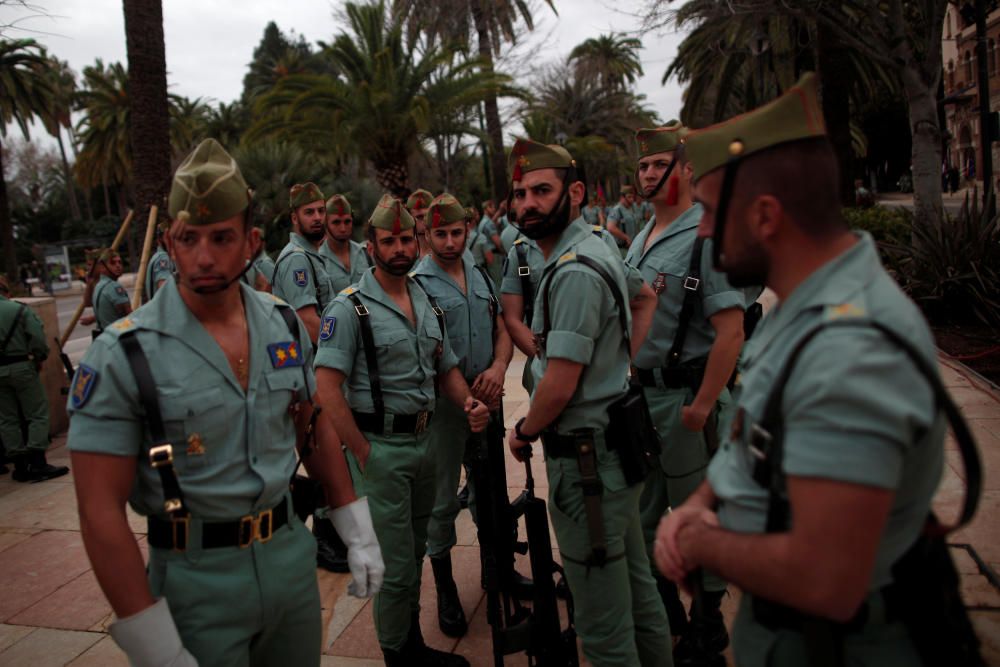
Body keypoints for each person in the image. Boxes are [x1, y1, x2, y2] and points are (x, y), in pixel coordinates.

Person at [655, 73, 947, 666]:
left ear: (765, 216)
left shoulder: (850, 347)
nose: (702, 228)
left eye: (709, 210)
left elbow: (826, 578)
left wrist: (703, 542)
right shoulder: (808, 303)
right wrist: (701, 500)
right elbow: (756, 442)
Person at [67, 138, 383, 667]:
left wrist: (355, 524)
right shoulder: (123, 354)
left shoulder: (281, 322)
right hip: (194, 577)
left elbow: (313, 425)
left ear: (251, 242)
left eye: (221, 237)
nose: (204, 255)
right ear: (170, 240)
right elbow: (99, 510)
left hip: (288, 557)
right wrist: (151, 639)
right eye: (189, 238)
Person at [502, 138, 669, 666]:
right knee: (639, 595)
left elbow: (559, 384)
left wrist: (524, 429)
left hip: (587, 466)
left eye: (541, 190)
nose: (527, 203)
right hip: (613, 453)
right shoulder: (597, 244)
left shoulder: (573, 269)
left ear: (574, 192)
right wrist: (621, 362)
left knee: (601, 628)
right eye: (521, 193)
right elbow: (645, 297)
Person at [314, 194, 489, 666]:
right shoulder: (348, 309)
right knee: (393, 569)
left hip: (426, 444)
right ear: (370, 247)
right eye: (388, 241)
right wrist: (362, 452)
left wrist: (466, 400)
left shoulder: (424, 300)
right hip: (383, 452)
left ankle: (411, 645)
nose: (399, 248)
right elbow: (326, 387)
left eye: (406, 239)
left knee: (414, 554)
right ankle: (397, 654)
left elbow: (446, 366)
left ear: (418, 243)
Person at [627, 123, 747, 666]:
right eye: (645, 166)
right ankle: (667, 609)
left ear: (687, 169)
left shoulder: (707, 234)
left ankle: (708, 620)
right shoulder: (642, 235)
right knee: (647, 511)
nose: (651, 174)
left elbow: (731, 332)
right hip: (643, 400)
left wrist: (701, 407)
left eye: (661, 165)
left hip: (684, 402)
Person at [411, 193, 513, 638]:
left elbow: (501, 327)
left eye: (456, 232)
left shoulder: (478, 271)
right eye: (440, 234)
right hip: (446, 409)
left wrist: (498, 367)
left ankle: (501, 572)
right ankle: (447, 588)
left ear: (467, 229)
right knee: (442, 501)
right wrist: (462, 395)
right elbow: (424, 357)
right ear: (426, 234)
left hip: (487, 397)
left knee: (492, 491)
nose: (450, 241)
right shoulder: (417, 284)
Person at [272, 182, 349, 573]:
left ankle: (330, 531)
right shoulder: (297, 261)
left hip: (317, 370)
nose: (318, 218)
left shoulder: (312, 256)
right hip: (306, 373)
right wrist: (348, 354)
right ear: (295, 218)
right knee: (321, 453)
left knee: (328, 453)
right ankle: (322, 538)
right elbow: (309, 322)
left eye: (321, 211)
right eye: (311, 213)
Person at [0, 275, 68, 482]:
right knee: (36, 414)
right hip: (22, 367)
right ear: (7, 291)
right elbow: (38, 339)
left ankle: (20, 466)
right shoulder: (19, 310)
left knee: (7, 418)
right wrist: (38, 357)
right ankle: (38, 462)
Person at [320, 194, 370, 292]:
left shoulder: (365, 253)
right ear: (325, 223)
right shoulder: (318, 259)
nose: (343, 229)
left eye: (347, 222)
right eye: (336, 222)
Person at [81, 249, 131, 336]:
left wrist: (94, 318)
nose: (89, 268)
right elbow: (129, 316)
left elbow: (110, 311)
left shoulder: (100, 284)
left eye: (90, 265)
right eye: (113, 263)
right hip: (117, 336)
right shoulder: (112, 286)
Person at [606, 185, 643, 254]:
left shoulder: (633, 208)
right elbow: (610, 227)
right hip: (622, 249)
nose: (632, 199)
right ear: (622, 197)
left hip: (633, 247)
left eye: (632, 197)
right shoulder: (617, 210)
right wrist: (625, 237)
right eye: (629, 197)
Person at [144, 221, 175, 301]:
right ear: (159, 239)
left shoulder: (158, 257)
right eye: (168, 237)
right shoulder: (163, 258)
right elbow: (165, 291)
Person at [406, 188, 434, 258]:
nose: (425, 222)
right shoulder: (406, 252)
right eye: (419, 217)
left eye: (428, 216)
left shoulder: (445, 249)